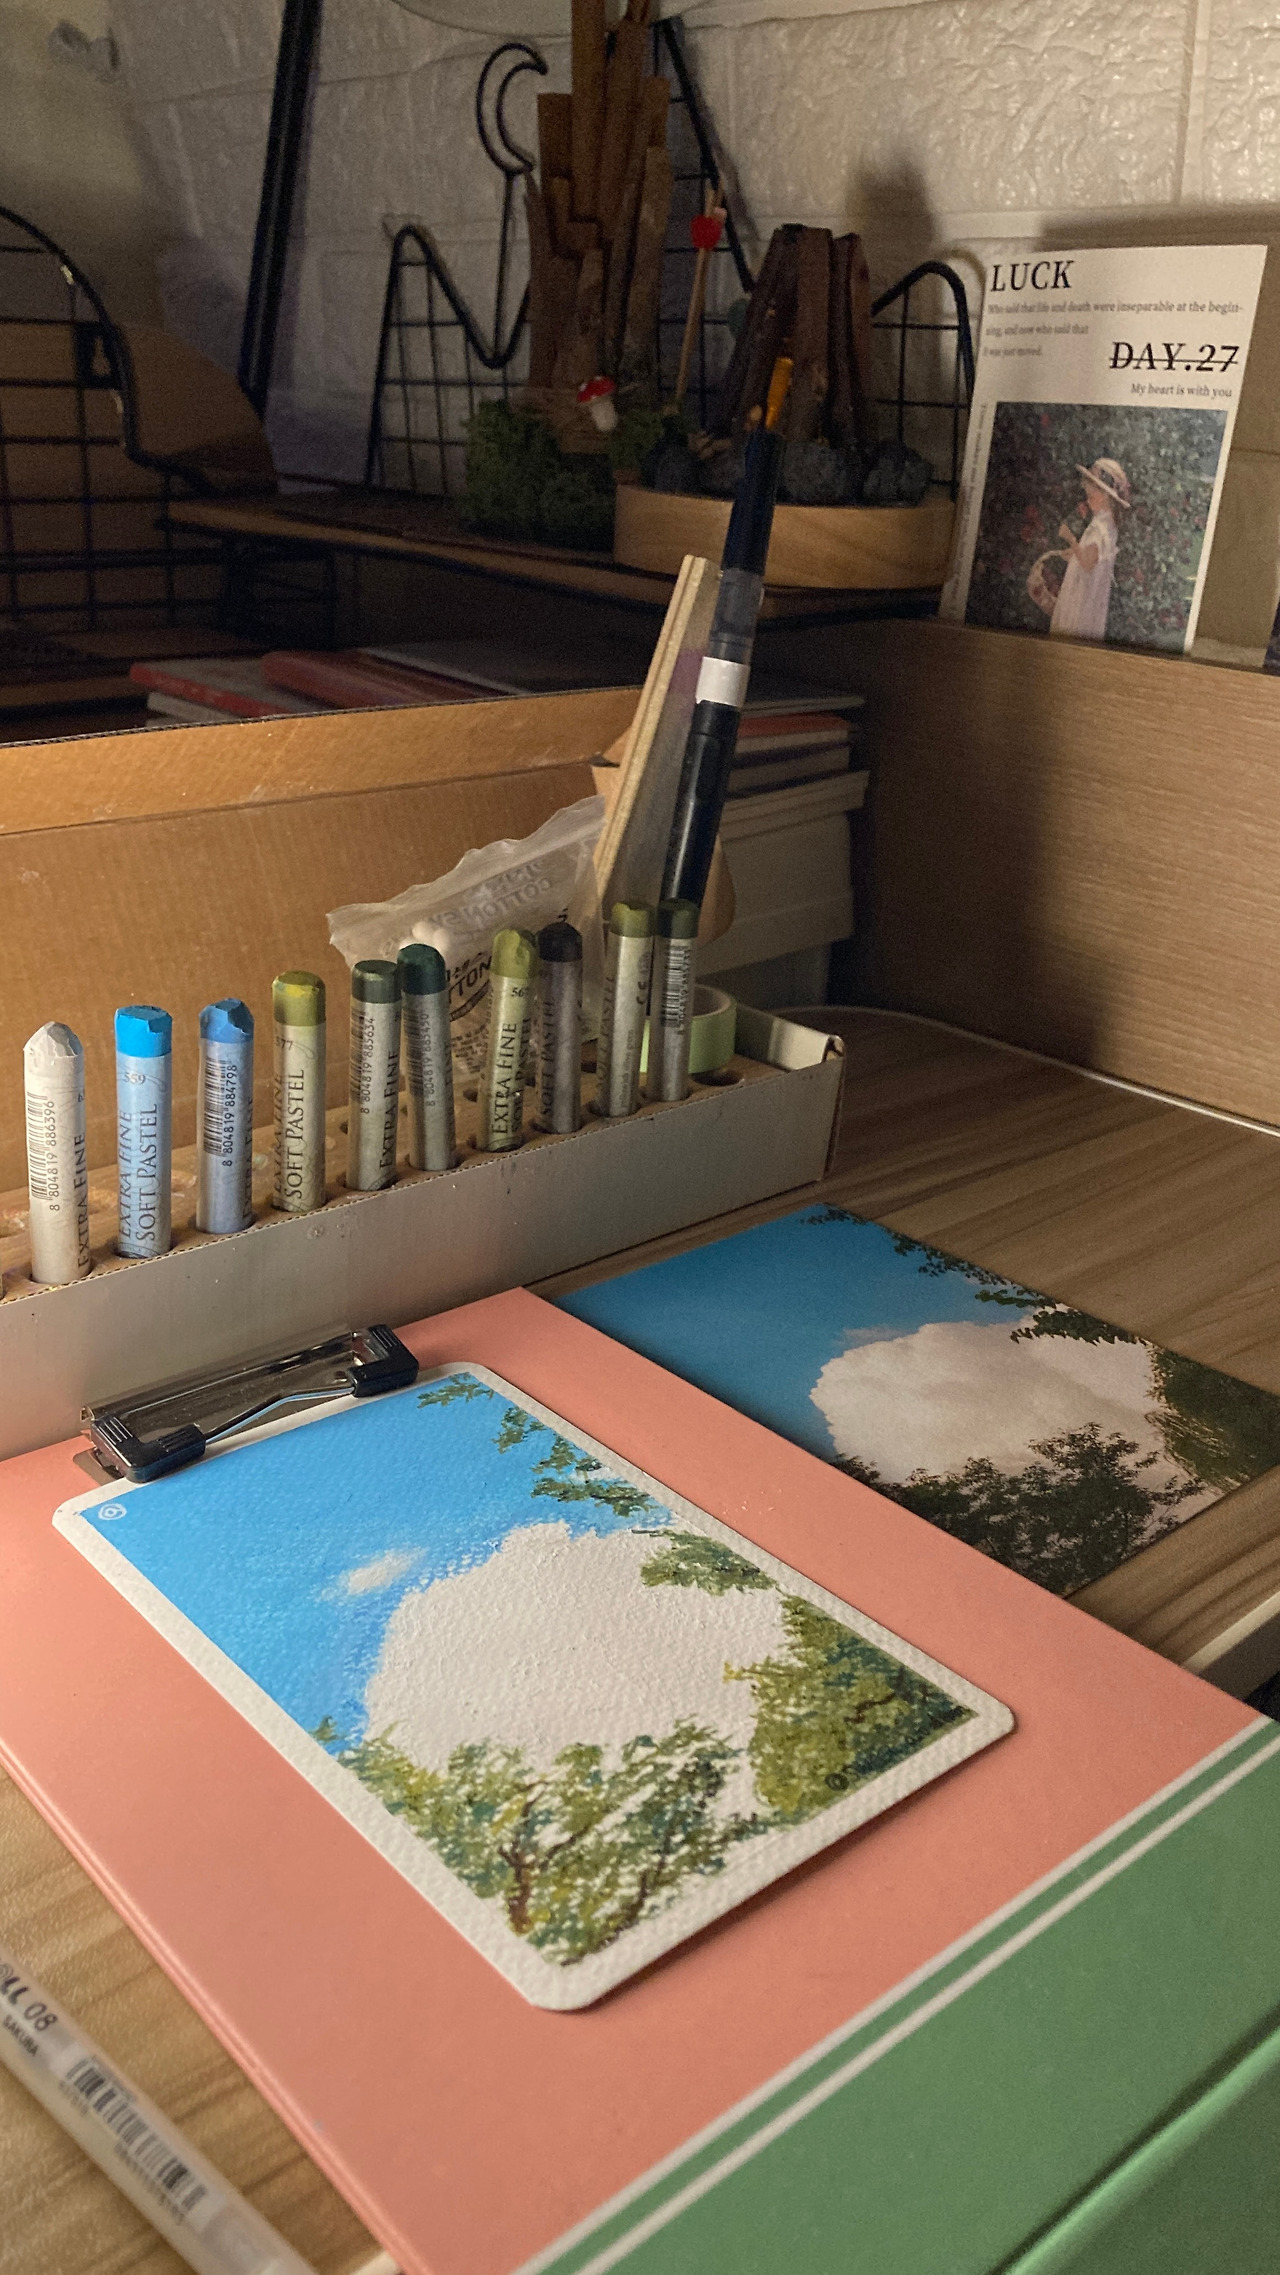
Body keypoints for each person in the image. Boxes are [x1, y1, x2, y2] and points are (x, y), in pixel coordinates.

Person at [1049, 457, 1131, 640]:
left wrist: (1070, 538)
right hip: (1087, 590)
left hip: (1083, 593)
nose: (1088, 499)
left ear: (1105, 496)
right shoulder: (1105, 524)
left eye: (1092, 495)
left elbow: (1087, 563)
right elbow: (1091, 556)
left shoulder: (1101, 529)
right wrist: (1074, 554)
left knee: (1073, 627)